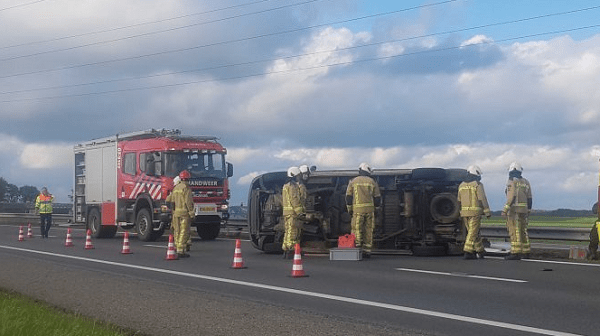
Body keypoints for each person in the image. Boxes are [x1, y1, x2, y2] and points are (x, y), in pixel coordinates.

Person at [345, 163, 381, 258]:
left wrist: (350, 209)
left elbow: (348, 197)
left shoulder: (353, 181)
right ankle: (367, 251)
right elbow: (377, 198)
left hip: (358, 210)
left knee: (357, 229)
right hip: (370, 210)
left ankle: (356, 249)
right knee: (368, 229)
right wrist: (376, 209)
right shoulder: (372, 182)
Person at [457, 165, 491, 260]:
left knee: (473, 232)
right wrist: (487, 211)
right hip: (475, 213)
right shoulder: (477, 185)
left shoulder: (461, 185)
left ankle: (480, 250)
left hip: (464, 213)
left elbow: (458, 200)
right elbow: (482, 199)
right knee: (472, 233)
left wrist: (460, 212)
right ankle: (468, 251)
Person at [501, 162, 533, 260]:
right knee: (523, 231)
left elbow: (511, 197)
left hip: (514, 210)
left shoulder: (511, 181)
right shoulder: (526, 182)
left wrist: (505, 209)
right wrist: (528, 209)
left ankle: (515, 252)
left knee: (515, 231)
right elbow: (530, 197)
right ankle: (526, 251)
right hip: (524, 210)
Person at [166, 170, 195, 258]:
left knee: (177, 231)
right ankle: (181, 250)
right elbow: (188, 202)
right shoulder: (186, 188)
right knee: (184, 231)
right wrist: (192, 213)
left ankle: (177, 246)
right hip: (184, 213)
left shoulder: (176, 188)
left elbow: (168, 200)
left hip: (176, 213)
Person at [281, 166, 307, 259]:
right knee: (294, 232)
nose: (299, 177)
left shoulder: (285, 186)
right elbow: (295, 199)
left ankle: (286, 249)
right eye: (297, 175)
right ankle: (291, 250)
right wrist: (300, 212)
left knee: (287, 232)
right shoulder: (293, 186)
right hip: (293, 213)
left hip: (287, 213)